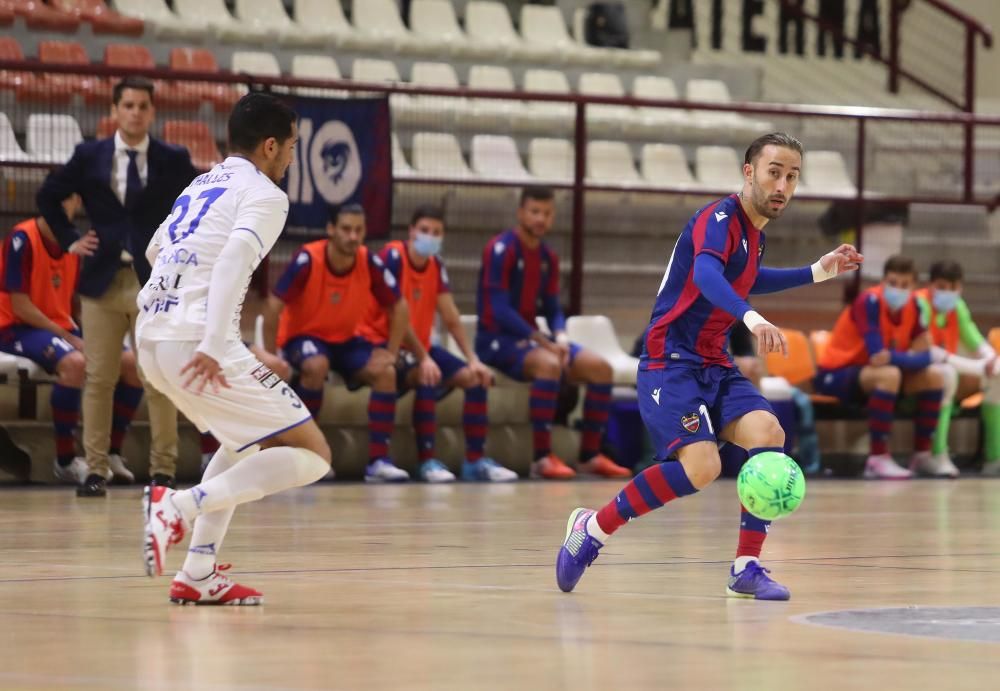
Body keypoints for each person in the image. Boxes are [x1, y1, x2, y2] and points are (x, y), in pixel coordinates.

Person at [555, 132, 863, 600]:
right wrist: (753, 318)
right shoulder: (718, 218)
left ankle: (746, 566)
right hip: (669, 360)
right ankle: (593, 527)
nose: (782, 185)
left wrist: (818, 271)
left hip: (713, 363)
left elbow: (749, 276)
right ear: (749, 172)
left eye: (792, 177)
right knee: (701, 468)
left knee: (769, 434)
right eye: (774, 172)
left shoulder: (754, 237)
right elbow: (706, 275)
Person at [139, 92, 332, 605]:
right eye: (290, 146)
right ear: (270, 146)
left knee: (242, 441)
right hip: (197, 340)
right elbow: (229, 263)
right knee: (313, 453)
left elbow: (155, 249)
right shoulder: (266, 195)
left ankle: (199, 572)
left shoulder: (200, 183)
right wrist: (211, 340)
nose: (291, 157)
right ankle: (178, 507)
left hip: (151, 334)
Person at [37, 76, 197, 496]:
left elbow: (198, 206)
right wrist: (70, 238)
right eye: (128, 105)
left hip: (156, 281)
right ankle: (95, 470)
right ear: (114, 110)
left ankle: (163, 471)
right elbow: (49, 195)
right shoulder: (89, 155)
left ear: (153, 112)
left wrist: (180, 249)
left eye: (143, 106)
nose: (136, 112)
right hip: (102, 280)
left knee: (158, 377)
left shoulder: (174, 158)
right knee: (99, 377)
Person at [475, 186, 631, 480]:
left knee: (601, 369)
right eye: (534, 212)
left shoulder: (547, 257)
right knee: (548, 364)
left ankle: (589, 456)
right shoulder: (501, 249)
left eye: (546, 213)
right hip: (496, 340)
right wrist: (542, 341)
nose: (540, 219)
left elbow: (552, 306)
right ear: (521, 212)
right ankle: (541, 458)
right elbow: (499, 309)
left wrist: (559, 336)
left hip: (533, 340)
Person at [359, 205, 518, 483]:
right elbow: (398, 315)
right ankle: (427, 462)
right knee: (427, 373)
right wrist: (424, 357)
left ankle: (475, 461)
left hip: (420, 346)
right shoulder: (393, 256)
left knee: (475, 378)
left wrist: (472, 358)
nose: (429, 237)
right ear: (411, 231)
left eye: (436, 232)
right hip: (386, 342)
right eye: (424, 231)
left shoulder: (436, 265)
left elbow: (451, 316)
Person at [0, 195, 145, 486]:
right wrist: (68, 337)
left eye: (70, 199)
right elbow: (20, 305)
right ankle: (64, 460)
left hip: (61, 326)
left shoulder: (75, 244)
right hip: (16, 327)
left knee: (132, 364)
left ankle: (112, 453)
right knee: (75, 363)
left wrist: (87, 331)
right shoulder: (22, 238)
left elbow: (77, 301)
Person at [263, 204, 411, 482]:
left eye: (359, 230)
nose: (353, 236)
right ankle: (307, 456)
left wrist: (390, 353)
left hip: (346, 340)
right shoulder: (308, 259)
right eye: (346, 229)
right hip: (303, 337)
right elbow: (273, 307)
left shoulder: (368, 261)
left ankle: (378, 462)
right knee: (317, 365)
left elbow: (400, 307)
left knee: (386, 373)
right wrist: (272, 358)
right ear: (331, 230)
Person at [814, 255, 947, 478]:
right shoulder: (870, 302)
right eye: (892, 283)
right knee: (889, 374)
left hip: (873, 375)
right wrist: (908, 357)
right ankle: (877, 459)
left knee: (935, 376)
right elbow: (876, 356)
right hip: (836, 374)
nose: (898, 289)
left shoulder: (914, 306)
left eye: (904, 285)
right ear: (883, 281)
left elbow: (927, 356)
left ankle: (922, 455)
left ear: (913, 286)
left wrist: (894, 356)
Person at [915, 261, 1000, 474]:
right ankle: (937, 454)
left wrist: (992, 361)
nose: (949, 293)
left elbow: (975, 340)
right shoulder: (919, 304)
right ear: (930, 285)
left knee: (997, 378)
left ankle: (994, 459)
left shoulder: (957, 306)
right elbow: (930, 351)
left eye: (954, 288)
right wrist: (979, 368)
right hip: (916, 375)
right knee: (947, 375)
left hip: (945, 370)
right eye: (942, 287)